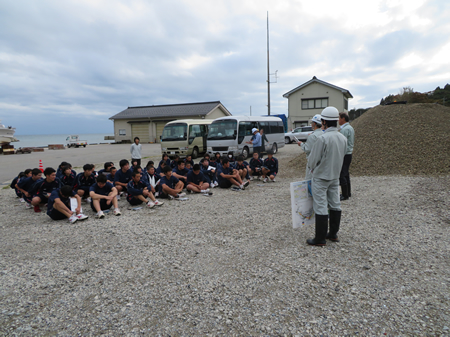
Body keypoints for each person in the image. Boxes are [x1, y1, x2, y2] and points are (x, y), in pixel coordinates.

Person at [306, 106, 347, 246]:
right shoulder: (342, 138)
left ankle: (320, 238)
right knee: (335, 203)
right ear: (336, 120)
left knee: (321, 206)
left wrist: (312, 168)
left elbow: (312, 160)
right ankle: (333, 234)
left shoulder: (322, 138)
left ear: (324, 121)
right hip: (335, 176)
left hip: (321, 177)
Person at [297, 114, 323, 180]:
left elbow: (307, 149)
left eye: (312, 123)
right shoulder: (323, 133)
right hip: (322, 161)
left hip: (313, 162)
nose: (311, 124)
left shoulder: (312, 136)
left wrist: (301, 144)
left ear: (314, 123)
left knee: (310, 180)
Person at [339, 112, 355, 200]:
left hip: (344, 153)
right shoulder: (350, 128)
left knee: (342, 174)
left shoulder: (344, 130)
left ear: (343, 119)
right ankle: (348, 192)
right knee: (346, 173)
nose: (338, 120)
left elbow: (342, 142)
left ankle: (344, 194)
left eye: (339, 118)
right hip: (349, 153)